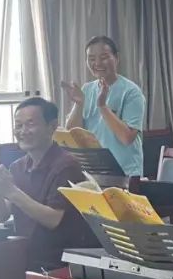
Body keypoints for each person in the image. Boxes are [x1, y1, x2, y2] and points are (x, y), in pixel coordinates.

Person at [0, 97, 90, 266]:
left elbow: (53, 219)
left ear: (52, 127)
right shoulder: (17, 167)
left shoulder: (67, 165)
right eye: (18, 125)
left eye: (30, 124)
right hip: (23, 255)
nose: (23, 131)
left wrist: (11, 191)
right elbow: (1, 216)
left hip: (57, 261)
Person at [61, 36, 145, 177]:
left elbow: (127, 138)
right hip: (93, 172)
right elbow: (72, 134)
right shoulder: (87, 89)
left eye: (104, 57)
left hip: (125, 174)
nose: (97, 63)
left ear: (116, 58)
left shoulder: (132, 92)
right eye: (91, 59)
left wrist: (102, 106)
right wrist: (79, 104)